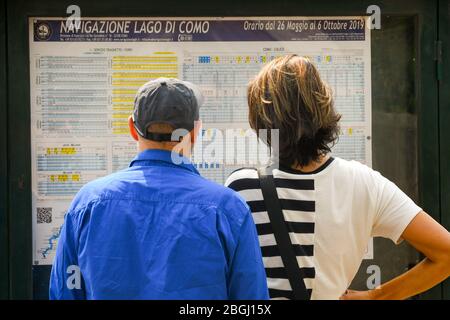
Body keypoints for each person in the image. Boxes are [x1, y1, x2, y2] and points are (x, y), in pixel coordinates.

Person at [225, 54, 450, 300]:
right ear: (324, 109)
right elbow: (446, 253)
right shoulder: (365, 183)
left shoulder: (242, 187)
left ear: (261, 120)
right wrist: (378, 296)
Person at [49, 78, 269, 300]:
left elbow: (64, 292)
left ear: (132, 129)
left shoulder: (88, 203)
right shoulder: (227, 209)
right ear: (195, 133)